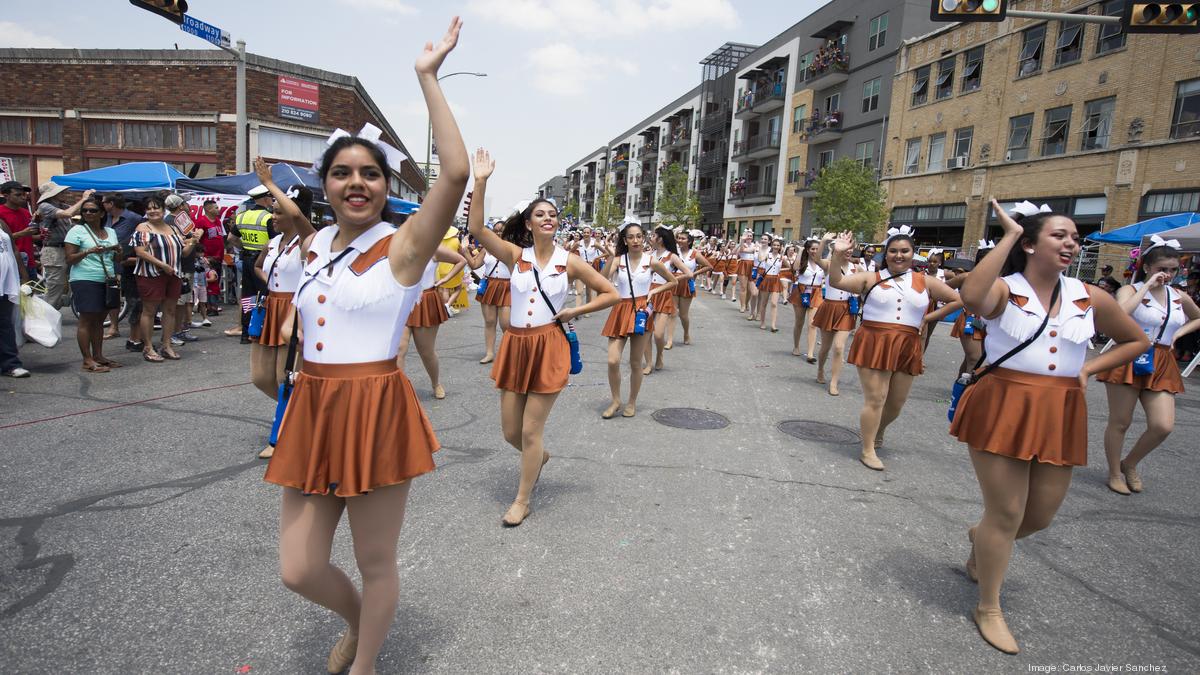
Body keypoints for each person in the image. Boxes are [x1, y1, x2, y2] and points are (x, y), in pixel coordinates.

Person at [263, 17, 467, 675]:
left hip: (375, 404)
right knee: (299, 566)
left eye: (371, 174)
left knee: (375, 560)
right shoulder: (314, 243)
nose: (357, 182)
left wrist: (427, 77)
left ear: (387, 185)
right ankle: (356, 618)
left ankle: (366, 662)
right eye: (343, 172)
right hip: (314, 403)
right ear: (326, 183)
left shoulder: (403, 247)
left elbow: (456, 173)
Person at [952, 199, 1146, 655]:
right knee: (1006, 513)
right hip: (1003, 401)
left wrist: (1091, 369)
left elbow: (1137, 339)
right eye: (1060, 235)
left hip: (1061, 408)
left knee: (1039, 515)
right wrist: (1009, 236)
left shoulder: (1087, 296)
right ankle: (989, 607)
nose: (1071, 242)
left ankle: (982, 541)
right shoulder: (1006, 288)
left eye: (1074, 237)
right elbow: (973, 297)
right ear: (1033, 243)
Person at [468, 150, 618, 525]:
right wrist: (481, 181)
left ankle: (522, 499)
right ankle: (538, 458)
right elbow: (477, 230)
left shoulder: (571, 261)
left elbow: (610, 294)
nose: (548, 219)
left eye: (552, 215)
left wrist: (574, 311)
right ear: (529, 223)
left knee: (531, 431)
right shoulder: (514, 256)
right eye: (541, 214)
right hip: (516, 345)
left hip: (548, 346)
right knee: (509, 432)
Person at [827, 229, 961, 470]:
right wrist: (837, 255)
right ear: (885, 254)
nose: (899, 255)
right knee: (876, 398)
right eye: (893, 251)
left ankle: (878, 430)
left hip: (907, 344)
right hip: (874, 340)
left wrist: (928, 317)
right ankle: (867, 449)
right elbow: (837, 281)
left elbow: (958, 300)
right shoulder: (870, 277)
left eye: (904, 251)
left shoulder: (926, 281)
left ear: (913, 254)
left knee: (896, 403)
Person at [1098, 237, 1200, 495]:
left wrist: (1178, 334)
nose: (1168, 274)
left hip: (1162, 358)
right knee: (1120, 421)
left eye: (1173, 269)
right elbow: (1119, 314)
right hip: (1130, 354)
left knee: (1162, 425)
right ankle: (1114, 473)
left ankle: (1129, 463)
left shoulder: (1179, 296)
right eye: (1162, 269)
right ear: (1147, 267)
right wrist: (1147, 287)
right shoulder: (1130, 291)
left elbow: (1197, 317)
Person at [250, 157, 317, 460]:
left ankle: (282, 433)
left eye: (278, 211)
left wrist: (270, 184)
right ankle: (299, 412)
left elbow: (299, 218)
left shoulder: (307, 242)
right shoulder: (274, 241)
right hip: (270, 307)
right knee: (260, 377)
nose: (273, 216)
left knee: (283, 377)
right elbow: (258, 266)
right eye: (272, 210)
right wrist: (269, 289)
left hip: (294, 309)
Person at [601, 220, 676, 418]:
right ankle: (616, 400)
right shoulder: (619, 260)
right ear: (624, 240)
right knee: (612, 360)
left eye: (639, 236)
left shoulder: (651, 261)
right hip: (619, 310)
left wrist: (654, 291)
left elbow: (673, 281)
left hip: (640, 312)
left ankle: (632, 402)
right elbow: (600, 280)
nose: (635, 240)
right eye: (631, 237)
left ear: (644, 238)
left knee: (636, 362)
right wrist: (610, 256)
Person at [131, 195, 200, 362]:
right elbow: (140, 252)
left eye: (156, 207)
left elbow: (183, 253)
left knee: (170, 310)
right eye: (149, 208)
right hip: (151, 274)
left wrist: (193, 242)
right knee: (149, 310)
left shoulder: (173, 228)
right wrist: (162, 265)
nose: (153, 211)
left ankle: (166, 345)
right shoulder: (143, 227)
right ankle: (148, 347)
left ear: (163, 209)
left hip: (173, 274)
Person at [397, 245, 466, 399]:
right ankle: (399, 390)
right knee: (399, 349)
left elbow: (461, 260)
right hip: (399, 301)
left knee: (426, 352)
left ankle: (436, 383)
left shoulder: (432, 247)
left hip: (425, 301)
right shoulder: (393, 244)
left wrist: (446, 279)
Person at [63, 196, 122, 373]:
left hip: (107, 279)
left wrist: (118, 251)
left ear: (102, 213)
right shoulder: (77, 231)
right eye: (85, 210)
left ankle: (98, 356)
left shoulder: (110, 232)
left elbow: (117, 259)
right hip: (84, 278)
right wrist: (88, 251)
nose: (88, 213)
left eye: (93, 210)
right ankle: (87, 360)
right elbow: (70, 259)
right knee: (87, 319)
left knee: (99, 319)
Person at [227, 185, 275, 343]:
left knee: (248, 297)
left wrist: (244, 247)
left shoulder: (241, 216)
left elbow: (231, 239)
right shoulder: (268, 217)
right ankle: (259, 330)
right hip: (262, 261)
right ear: (265, 198)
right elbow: (274, 242)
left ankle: (245, 333)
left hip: (246, 259)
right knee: (263, 296)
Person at [36, 183, 95, 309]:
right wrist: (83, 199)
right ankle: (46, 317)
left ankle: (57, 306)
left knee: (71, 279)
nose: (65, 194)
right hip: (54, 250)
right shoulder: (45, 206)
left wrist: (89, 201)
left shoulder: (61, 205)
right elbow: (68, 214)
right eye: (61, 192)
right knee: (55, 286)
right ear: (53, 195)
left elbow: (79, 210)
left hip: (66, 248)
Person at [642, 225, 690, 374]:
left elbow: (689, 273)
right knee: (645, 333)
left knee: (658, 334)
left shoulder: (672, 256)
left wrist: (673, 278)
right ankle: (648, 363)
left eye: (654, 235)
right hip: (648, 294)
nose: (651, 238)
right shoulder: (649, 254)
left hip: (663, 294)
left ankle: (660, 355)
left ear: (661, 239)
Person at [810, 233, 853, 395]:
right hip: (829, 307)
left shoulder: (858, 268)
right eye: (845, 249)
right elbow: (816, 258)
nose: (848, 252)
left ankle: (834, 382)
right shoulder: (829, 264)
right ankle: (820, 369)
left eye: (851, 249)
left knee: (839, 347)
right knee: (826, 347)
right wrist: (823, 241)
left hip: (846, 310)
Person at [464, 217, 511, 364]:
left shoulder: (512, 248)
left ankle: (510, 353)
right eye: (495, 231)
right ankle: (489, 353)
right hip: (489, 285)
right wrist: (465, 251)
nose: (498, 234)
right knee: (490, 321)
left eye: (501, 231)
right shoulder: (486, 248)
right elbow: (474, 264)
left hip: (507, 286)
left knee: (506, 324)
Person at [100, 193, 144, 340]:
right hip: (108, 261)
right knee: (112, 294)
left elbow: (143, 234)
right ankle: (114, 326)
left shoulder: (133, 218)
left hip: (125, 261)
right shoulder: (105, 218)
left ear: (111, 203)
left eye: (104, 202)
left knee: (129, 296)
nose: (102, 204)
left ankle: (136, 330)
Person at [164, 194, 201, 347]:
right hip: (179, 267)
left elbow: (191, 238)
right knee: (177, 303)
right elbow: (181, 246)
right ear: (180, 206)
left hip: (188, 265)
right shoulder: (170, 222)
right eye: (185, 202)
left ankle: (179, 330)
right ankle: (172, 333)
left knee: (183, 301)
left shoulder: (183, 220)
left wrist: (194, 238)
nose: (188, 205)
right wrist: (194, 239)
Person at [0, 206, 30, 377]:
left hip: (5, 284)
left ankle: (11, 364)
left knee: (5, 325)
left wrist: (24, 276)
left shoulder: (1, 223)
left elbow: (14, 250)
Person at [669, 228, 710, 347]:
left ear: (689, 241)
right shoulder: (673, 252)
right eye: (679, 238)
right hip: (675, 282)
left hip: (687, 283)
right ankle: (669, 340)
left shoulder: (695, 253)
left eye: (683, 238)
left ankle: (686, 333)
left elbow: (708, 266)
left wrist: (694, 274)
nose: (680, 240)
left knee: (683, 314)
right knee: (672, 312)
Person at [790, 238, 824, 362]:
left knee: (812, 324)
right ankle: (796, 346)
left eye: (817, 249)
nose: (815, 251)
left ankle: (810, 353)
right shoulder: (803, 261)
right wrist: (800, 251)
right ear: (808, 250)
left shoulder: (822, 262)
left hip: (816, 292)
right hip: (801, 291)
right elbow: (795, 267)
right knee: (799, 322)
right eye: (812, 249)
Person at [193, 198, 228, 318]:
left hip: (218, 257)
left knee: (216, 281)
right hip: (208, 257)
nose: (218, 209)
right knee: (208, 282)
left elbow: (220, 237)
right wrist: (202, 256)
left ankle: (213, 305)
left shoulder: (218, 221)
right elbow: (197, 239)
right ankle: (207, 306)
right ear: (208, 209)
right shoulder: (201, 221)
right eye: (216, 207)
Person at [0, 181, 37, 281]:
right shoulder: (1, 212)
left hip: (29, 260)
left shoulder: (25, 212)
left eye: (24, 194)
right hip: (10, 261)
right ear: (6, 196)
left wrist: (41, 236)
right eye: (18, 195)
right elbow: (2, 239)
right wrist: (22, 233)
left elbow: (28, 236)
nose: (23, 197)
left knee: (30, 294)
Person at [757, 238, 786, 332]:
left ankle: (773, 325)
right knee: (764, 302)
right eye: (774, 245)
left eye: (778, 245)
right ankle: (762, 322)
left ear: (780, 247)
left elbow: (790, 267)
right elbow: (760, 259)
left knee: (774, 303)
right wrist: (761, 248)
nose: (776, 247)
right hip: (767, 279)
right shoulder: (767, 255)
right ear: (772, 245)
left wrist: (784, 262)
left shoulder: (781, 257)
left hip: (776, 280)